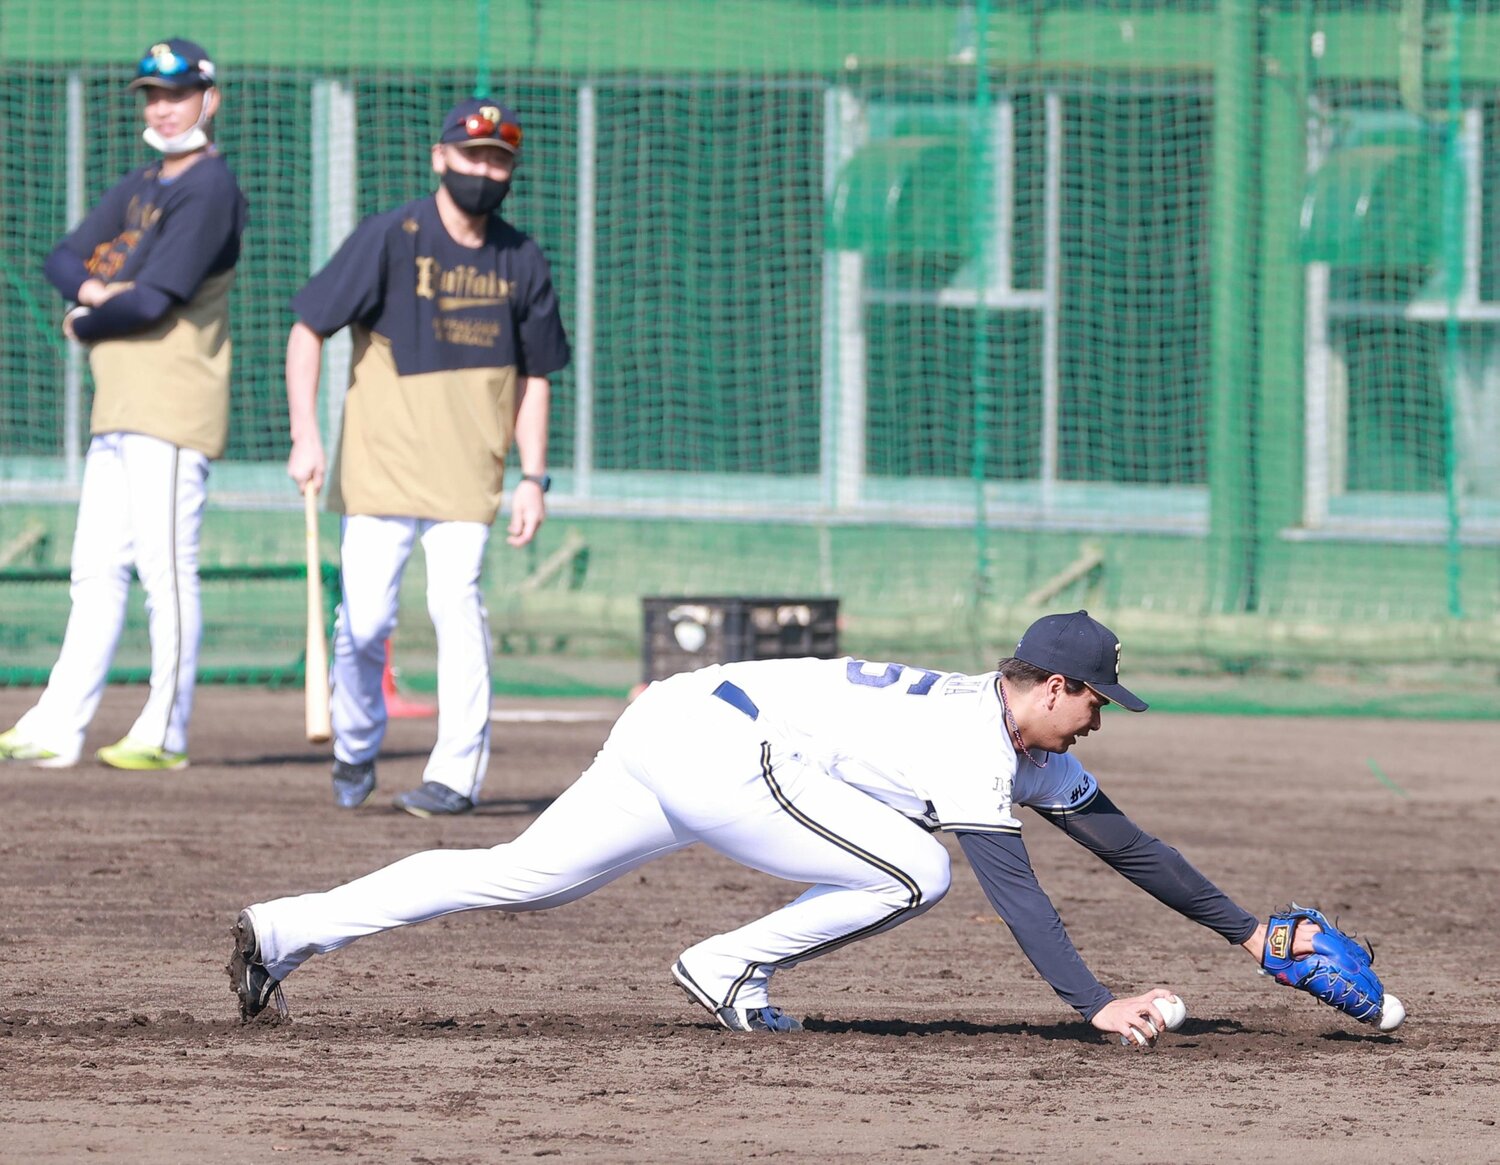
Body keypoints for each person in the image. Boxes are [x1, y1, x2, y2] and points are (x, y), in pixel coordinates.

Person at [229, 610, 1351, 1043]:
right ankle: (724, 965)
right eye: (1098, 698)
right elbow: (1022, 892)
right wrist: (1090, 1001)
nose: (1104, 717)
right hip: (724, 744)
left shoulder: (1024, 743)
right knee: (920, 869)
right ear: (1053, 685)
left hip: (684, 717)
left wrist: (1247, 934)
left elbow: (1127, 846)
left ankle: (284, 929)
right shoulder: (978, 741)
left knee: (521, 876)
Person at [284, 98, 570, 818]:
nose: (484, 171)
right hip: (379, 466)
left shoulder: (521, 256)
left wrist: (533, 477)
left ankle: (455, 776)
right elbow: (308, 328)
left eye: (498, 161)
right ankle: (355, 743)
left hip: (469, 472)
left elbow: (536, 376)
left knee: (456, 605)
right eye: (471, 157)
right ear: (440, 158)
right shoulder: (390, 236)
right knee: (367, 621)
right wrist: (306, 434)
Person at [0, 38, 248, 772]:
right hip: (119, 407)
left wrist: (86, 313)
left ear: (210, 97)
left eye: (178, 93)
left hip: (173, 408)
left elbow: (152, 301)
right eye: (152, 95)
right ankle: (57, 725)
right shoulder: (143, 183)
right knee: (95, 570)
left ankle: (165, 729)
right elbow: (62, 257)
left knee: (165, 572)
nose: (163, 108)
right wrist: (98, 292)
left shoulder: (210, 188)